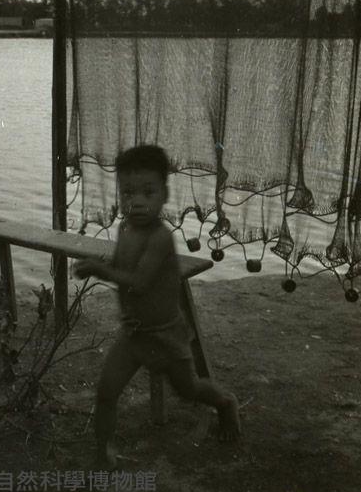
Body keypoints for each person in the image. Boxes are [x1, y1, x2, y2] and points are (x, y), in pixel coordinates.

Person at [73, 144, 240, 467]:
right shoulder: (124, 228)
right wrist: (101, 265)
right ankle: (102, 452)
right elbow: (121, 264)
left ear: (164, 195)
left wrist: (98, 270)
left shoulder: (161, 237)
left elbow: (139, 282)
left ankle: (225, 402)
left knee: (188, 390)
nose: (136, 201)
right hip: (135, 334)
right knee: (106, 391)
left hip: (165, 335)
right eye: (127, 193)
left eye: (147, 192)